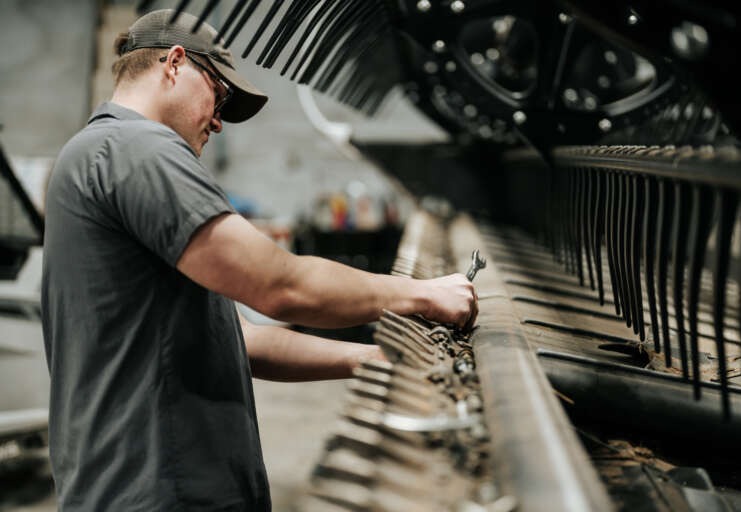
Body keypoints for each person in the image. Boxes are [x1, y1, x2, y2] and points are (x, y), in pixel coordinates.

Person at [41, 8, 478, 512]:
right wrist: (421, 294)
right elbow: (281, 287)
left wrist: (371, 360)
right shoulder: (136, 146)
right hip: (158, 490)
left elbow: (238, 340)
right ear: (175, 63)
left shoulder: (101, 152)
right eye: (220, 96)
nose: (221, 122)